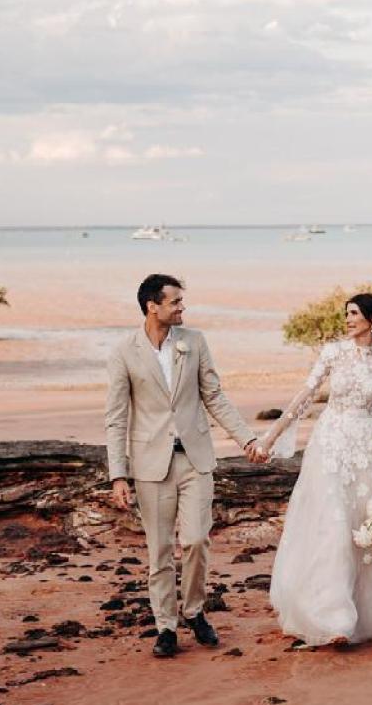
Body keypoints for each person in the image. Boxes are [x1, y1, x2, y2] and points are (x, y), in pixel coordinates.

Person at [256, 293, 372, 646]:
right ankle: (333, 618)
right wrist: (270, 438)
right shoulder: (333, 353)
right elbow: (305, 396)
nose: (347, 319)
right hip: (330, 446)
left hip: (367, 450)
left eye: (354, 313)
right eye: (346, 313)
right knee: (332, 524)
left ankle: (361, 607)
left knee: (363, 527)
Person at [104, 273, 266, 658]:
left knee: (196, 540)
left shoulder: (194, 342)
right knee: (159, 551)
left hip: (195, 457)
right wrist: (118, 474)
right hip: (149, 465)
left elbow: (215, 396)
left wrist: (247, 439)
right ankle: (165, 627)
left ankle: (194, 611)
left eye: (181, 302)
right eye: (175, 302)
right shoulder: (123, 351)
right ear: (152, 306)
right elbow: (116, 417)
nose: (182, 308)